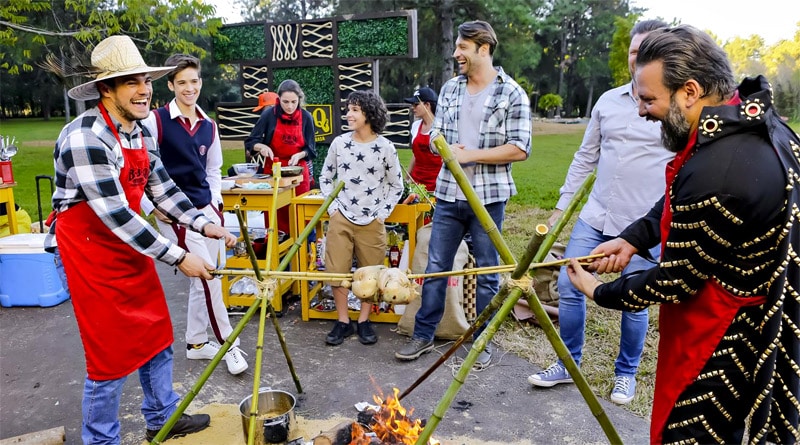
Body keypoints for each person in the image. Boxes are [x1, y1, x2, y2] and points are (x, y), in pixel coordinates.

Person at [567, 25, 799, 444]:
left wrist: (600, 292)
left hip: (722, 334)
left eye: (650, 99)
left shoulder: (720, 167)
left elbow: (676, 281)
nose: (641, 111)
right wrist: (634, 238)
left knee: (689, 435)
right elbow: (678, 197)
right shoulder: (738, 125)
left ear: (689, 92)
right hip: (737, 310)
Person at [44, 35, 237, 443]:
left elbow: (162, 190)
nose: (143, 89)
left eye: (145, 80)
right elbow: (115, 214)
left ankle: (161, 417)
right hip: (89, 252)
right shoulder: (85, 137)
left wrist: (204, 224)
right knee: (109, 355)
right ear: (106, 89)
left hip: (126, 247)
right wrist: (180, 255)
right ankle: (102, 439)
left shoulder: (140, 133)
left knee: (156, 333)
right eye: (131, 82)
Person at [527, 20, 671, 405]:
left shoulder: (669, 106)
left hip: (643, 225)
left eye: (645, 52)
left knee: (634, 300)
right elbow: (585, 157)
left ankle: (626, 375)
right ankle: (568, 364)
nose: (636, 58)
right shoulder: (607, 101)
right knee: (569, 285)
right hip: (596, 217)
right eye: (633, 52)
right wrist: (560, 208)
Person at [395, 20, 531, 368]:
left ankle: (481, 339)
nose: (456, 53)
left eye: (463, 48)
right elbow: (436, 135)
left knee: (487, 271)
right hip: (448, 193)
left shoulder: (511, 93)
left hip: (488, 197)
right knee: (436, 266)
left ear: (483, 49)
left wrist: (468, 154)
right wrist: (444, 149)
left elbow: (519, 148)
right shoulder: (452, 89)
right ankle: (424, 335)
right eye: (456, 47)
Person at [141, 54, 247, 376]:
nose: (190, 88)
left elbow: (213, 169)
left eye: (194, 81)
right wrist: (152, 208)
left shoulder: (208, 124)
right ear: (171, 84)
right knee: (208, 277)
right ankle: (229, 344)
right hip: (173, 213)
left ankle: (197, 343)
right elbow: (140, 171)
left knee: (205, 276)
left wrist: (214, 203)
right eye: (182, 82)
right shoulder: (154, 121)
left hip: (206, 210)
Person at [318, 90, 404, 346]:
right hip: (341, 216)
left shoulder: (386, 148)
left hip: (372, 220)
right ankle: (343, 321)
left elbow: (396, 185)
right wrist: (333, 208)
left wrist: (381, 214)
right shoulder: (339, 144)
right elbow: (324, 177)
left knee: (371, 273)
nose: (348, 114)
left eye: (355, 109)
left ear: (369, 113)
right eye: (348, 109)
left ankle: (365, 321)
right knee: (337, 271)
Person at [244, 80, 317, 235]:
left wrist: (300, 154)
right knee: (276, 217)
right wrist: (262, 147)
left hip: (298, 173)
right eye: (285, 102)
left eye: (293, 102)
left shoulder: (306, 117)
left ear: (299, 100)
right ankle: (277, 252)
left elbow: (311, 149)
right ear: (278, 100)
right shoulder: (269, 115)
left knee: (300, 217)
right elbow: (251, 141)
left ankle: (303, 253)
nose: (290, 106)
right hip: (273, 170)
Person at [403, 86, 441, 192]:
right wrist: (407, 178)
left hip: (437, 184)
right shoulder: (416, 126)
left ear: (427, 105)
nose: (412, 108)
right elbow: (416, 156)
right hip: (416, 183)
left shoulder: (442, 127)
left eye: (416, 105)